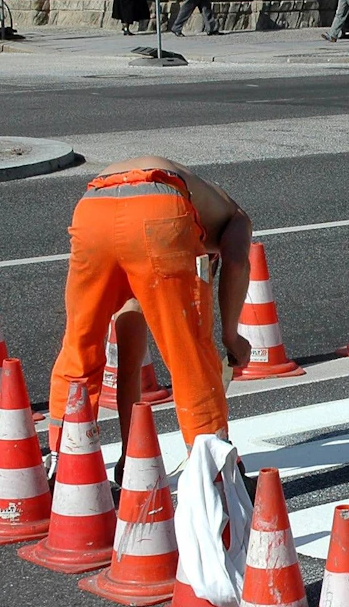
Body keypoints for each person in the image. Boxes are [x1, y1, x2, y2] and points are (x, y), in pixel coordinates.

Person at [47, 156, 253, 456]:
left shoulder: (199, 200)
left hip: (93, 208)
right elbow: (237, 264)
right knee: (189, 353)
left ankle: (63, 459)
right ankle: (212, 465)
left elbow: (130, 363)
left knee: (80, 346)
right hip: (159, 208)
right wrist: (231, 336)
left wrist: (131, 455)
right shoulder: (236, 217)